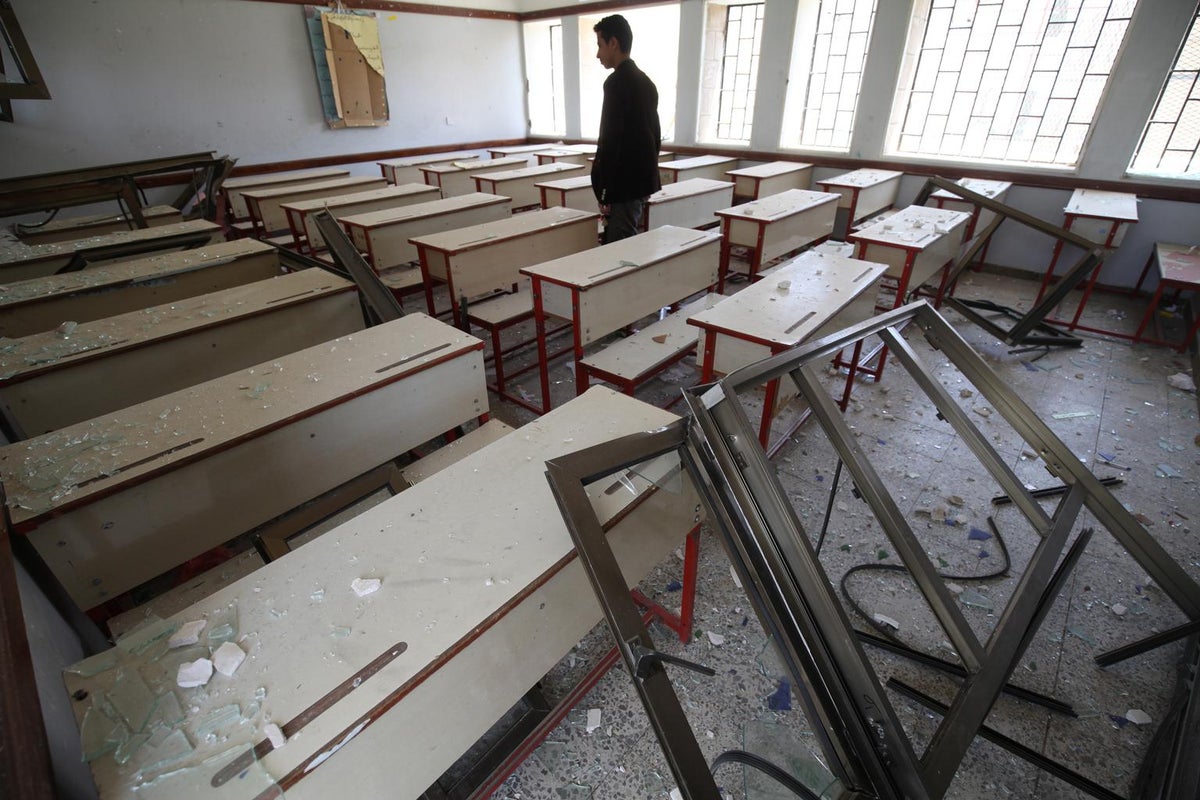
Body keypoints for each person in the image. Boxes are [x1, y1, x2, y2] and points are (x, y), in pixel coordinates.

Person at [591, 14, 662, 244]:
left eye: (600, 45)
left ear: (614, 43)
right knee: (627, 240)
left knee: (619, 248)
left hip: (623, 186)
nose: (598, 54)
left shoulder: (616, 84)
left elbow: (610, 142)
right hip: (640, 183)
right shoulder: (646, 82)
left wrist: (604, 191)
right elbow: (656, 136)